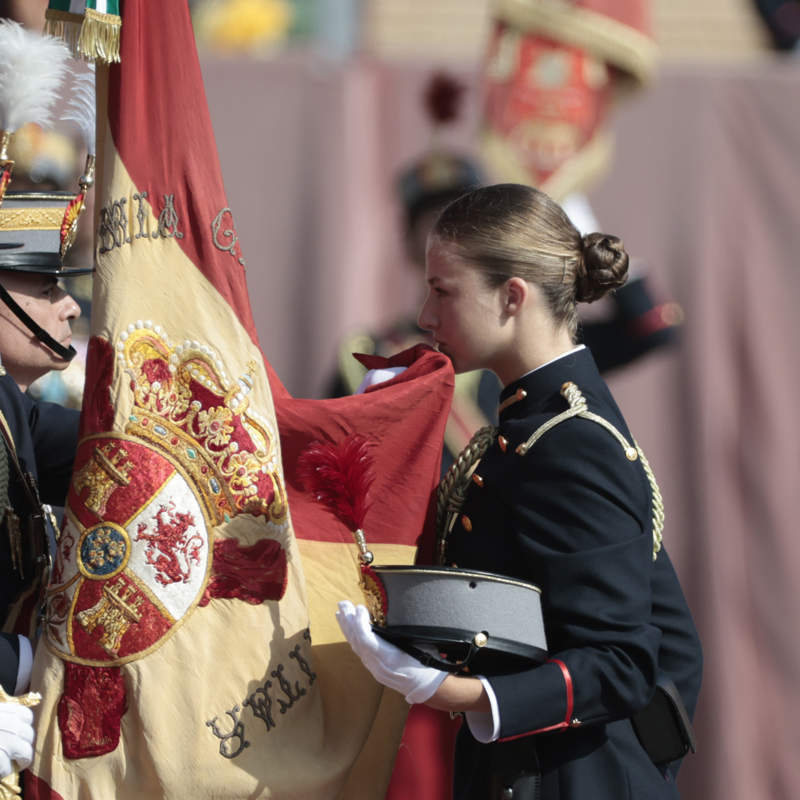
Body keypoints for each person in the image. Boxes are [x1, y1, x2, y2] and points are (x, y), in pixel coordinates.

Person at [337, 183, 702, 799]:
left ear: (512, 297)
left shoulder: (571, 441)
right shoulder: (529, 425)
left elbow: (622, 662)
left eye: (443, 291)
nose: (426, 316)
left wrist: (453, 692)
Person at [0, 188, 89, 782]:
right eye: (46, 286)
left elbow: (118, 446)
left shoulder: (12, 403)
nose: (71, 306)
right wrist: (25, 661)